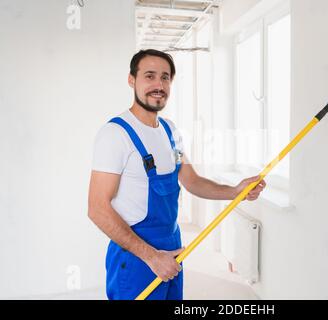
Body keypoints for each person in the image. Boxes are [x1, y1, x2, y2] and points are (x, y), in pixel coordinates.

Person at [87, 49, 266, 300]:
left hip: (172, 247)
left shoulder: (170, 131)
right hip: (137, 257)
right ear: (131, 80)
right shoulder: (115, 134)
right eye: (149, 76)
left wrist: (235, 191)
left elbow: (191, 180)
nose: (158, 85)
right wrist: (151, 257)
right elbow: (97, 208)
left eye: (165, 77)